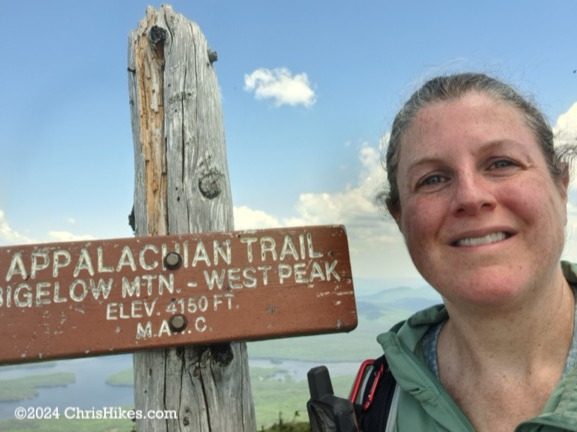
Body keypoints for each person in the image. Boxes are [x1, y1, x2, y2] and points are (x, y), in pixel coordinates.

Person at [375, 72, 577, 431]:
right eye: (433, 179)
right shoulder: (379, 403)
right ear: (400, 218)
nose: (470, 196)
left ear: (561, 187)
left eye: (501, 163)